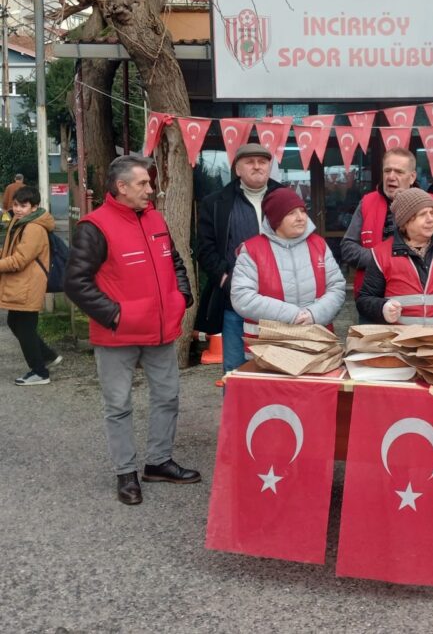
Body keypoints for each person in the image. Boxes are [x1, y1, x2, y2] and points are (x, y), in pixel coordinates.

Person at [64, 155, 198, 506]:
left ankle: (158, 462)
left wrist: (180, 297)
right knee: (118, 405)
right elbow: (76, 283)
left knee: (167, 396)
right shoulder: (95, 227)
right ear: (121, 187)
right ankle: (126, 473)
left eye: (150, 184)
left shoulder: (155, 219)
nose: (150, 191)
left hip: (160, 331)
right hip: (118, 335)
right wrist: (116, 316)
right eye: (142, 184)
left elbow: (176, 262)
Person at [197, 143, 285, 373]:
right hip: (235, 301)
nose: (257, 167)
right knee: (236, 370)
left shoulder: (286, 198)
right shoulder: (216, 203)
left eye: (262, 162)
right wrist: (225, 280)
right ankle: (237, 411)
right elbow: (205, 249)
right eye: (250, 162)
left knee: (280, 367)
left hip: (280, 302)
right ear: (237, 169)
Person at [230, 187, 346, 346]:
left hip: (317, 342)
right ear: (275, 219)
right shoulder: (252, 250)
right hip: (268, 347)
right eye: (291, 213)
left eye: (302, 211)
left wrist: (314, 314)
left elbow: (337, 287)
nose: (300, 217)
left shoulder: (319, 244)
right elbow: (242, 297)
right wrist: (292, 315)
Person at [341, 148, 433, 305]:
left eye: (398, 172)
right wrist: (381, 263)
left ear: (412, 177)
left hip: (417, 302)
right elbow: (347, 247)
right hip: (372, 299)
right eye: (387, 171)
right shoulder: (367, 202)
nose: (391, 177)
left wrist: (400, 264)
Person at [356, 187, 433, 326]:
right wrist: (382, 308)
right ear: (405, 222)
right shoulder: (381, 254)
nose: (430, 220)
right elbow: (364, 300)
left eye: (432, 213)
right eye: (422, 214)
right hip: (400, 343)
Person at [0, 186, 62, 385]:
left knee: (25, 327)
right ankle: (47, 356)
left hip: (28, 284)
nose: (18, 209)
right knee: (15, 323)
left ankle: (39, 372)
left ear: (35, 207)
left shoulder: (34, 228)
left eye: (23, 206)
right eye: (16, 205)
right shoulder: (20, 223)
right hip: (21, 283)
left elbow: (19, 260)